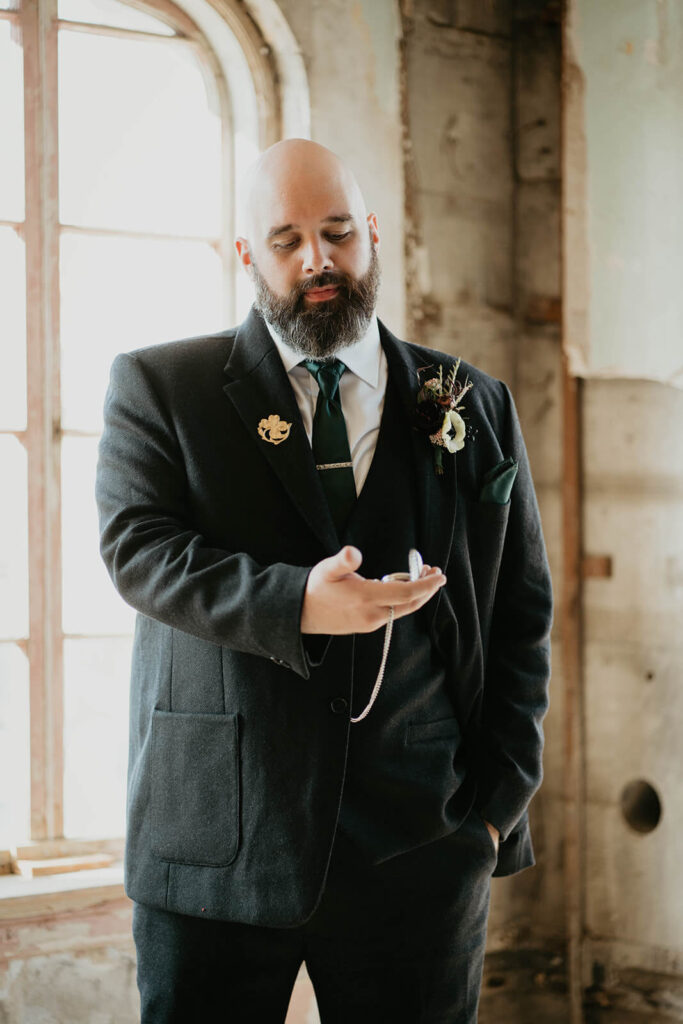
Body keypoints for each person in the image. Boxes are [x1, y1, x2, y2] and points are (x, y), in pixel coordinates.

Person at [96, 138, 552, 1023]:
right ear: (246, 255)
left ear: (371, 234)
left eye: (338, 232)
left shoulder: (473, 400)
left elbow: (520, 615)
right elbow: (136, 548)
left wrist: (494, 809)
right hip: (216, 846)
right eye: (287, 240)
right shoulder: (161, 386)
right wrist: (296, 601)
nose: (318, 261)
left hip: (422, 849)